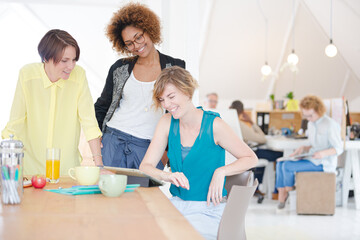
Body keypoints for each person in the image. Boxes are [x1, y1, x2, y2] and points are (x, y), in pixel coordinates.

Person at [139, 66, 258, 240]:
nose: (167, 105)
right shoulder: (166, 123)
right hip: (177, 206)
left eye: (171, 97)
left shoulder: (214, 125)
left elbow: (251, 158)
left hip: (209, 210)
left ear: (187, 92)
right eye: (162, 99)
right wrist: (166, 176)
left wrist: (221, 171)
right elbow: (145, 166)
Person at [95, 3, 185, 169]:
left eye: (139, 37)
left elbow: (180, 111)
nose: (136, 46)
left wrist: (166, 152)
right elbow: (102, 105)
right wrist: (97, 139)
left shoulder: (175, 66)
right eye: (129, 43)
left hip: (150, 148)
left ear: (149, 30)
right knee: (108, 194)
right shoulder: (119, 68)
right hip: (114, 140)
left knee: (146, 195)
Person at [2, 29, 103, 176]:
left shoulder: (79, 76)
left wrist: (99, 165)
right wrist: (7, 166)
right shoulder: (27, 75)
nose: (71, 66)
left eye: (74, 60)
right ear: (46, 58)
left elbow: (89, 122)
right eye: (64, 60)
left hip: (66, 172)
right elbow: (15, 124)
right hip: (30, 173)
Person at [275, 95, 343, 209]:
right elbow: (315, 144)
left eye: (310, 115)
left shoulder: (330, 124)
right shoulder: (311, 124)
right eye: (305, 116)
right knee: (280, 163)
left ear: (319, 111)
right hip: (311, 157)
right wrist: (303, 148)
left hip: (323, 163)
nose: (308, 118)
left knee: (287, 166)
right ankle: (283, 192)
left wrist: (322, 153)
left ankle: (288, 192)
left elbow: (339, 148)